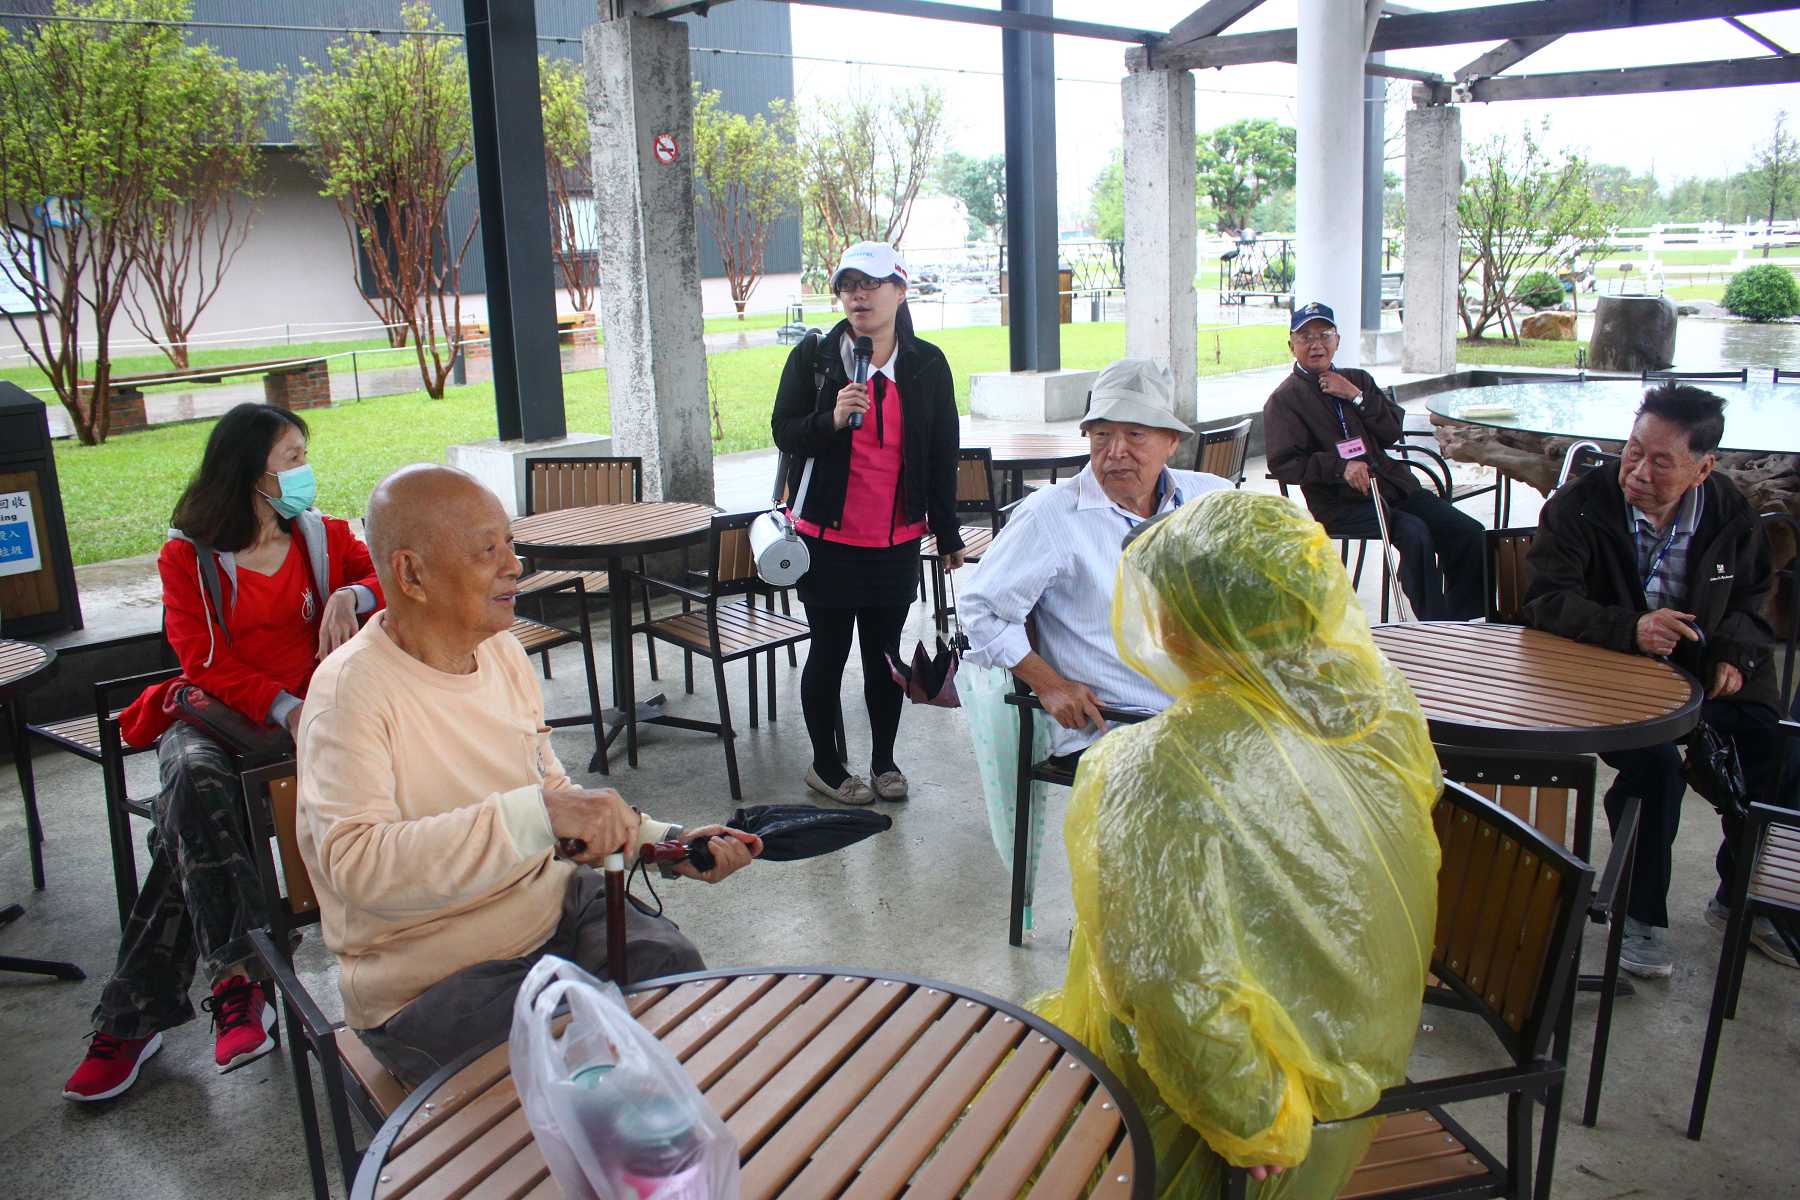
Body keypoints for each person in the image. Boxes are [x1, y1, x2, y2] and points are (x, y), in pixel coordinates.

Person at [295, 465, 757, 1086]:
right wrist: (536, 817)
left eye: (510, 544)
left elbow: (555, 797)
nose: (514, 565)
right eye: (489, 550)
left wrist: (660, 840)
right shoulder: (350, 693)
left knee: (670, 976)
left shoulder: (502, 651)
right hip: (432, 976)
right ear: (411, 574)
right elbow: (356, 865)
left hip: (550, 912)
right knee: (572, 1065)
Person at [1036, 491, 1441, 1197]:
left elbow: (1167, 983)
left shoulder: (1155, 768)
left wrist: (1257, 1122)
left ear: (1182, 624)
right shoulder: (1384, 706)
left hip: (1243, 1133)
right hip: (1360, 1061)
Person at [62, 403, 382, 1103]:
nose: (305, 471)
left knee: (182, 824)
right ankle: (240, 978)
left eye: (303, 455)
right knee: (192, 777)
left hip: (314, 716)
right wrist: (286, 707)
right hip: (228, 715)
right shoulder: (190, 557)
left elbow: (386, 577)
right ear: (251, 473)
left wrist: (352, 594)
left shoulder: (322, 537)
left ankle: (134, 1018)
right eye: (292, 459)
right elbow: (201, 661)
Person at [1525, 383, 1797, 977]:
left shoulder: (1729, 511)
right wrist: (1631, 628)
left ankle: (1745, 894)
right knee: (1655, 772)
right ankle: (1638, 915)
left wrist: (1735, 655)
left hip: (1705, 670)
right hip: (1608, 672)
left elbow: (1755, 596)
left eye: (1661, 461)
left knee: (1776, 748)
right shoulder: (1579, 506)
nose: (1638, 472)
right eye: (1632, 451)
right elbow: (1546, 602)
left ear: (1704, 467)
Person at [960, 358, 1231, 765]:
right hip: (1115, 727)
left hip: (1210, 711)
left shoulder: (1208, 498)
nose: (1116, 451)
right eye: (1102, 435)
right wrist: (1048, 684)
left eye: (1136, 435)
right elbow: (980, 612)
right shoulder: (1050, 515)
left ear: (1171, 441)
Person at [771, 241, 965, 804]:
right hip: (826, 539)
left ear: (900, 292)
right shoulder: (816, 357)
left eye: (872, 283)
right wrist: (831, 418)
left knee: (885, 659)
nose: (858, 294)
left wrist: (947, 531)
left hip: (895, 540)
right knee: (828, 655)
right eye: (849, 284)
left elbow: (940, 454)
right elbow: (785, 431)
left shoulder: (927, 363)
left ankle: (884, 762)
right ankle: (827, 766)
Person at [1264, 301, 1484, 621]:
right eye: (1305, 337)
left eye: (1324, 335)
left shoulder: (1357, 380)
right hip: (1342, 503)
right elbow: (1284, 463)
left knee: (1468, 531)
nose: (1316, 344)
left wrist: (1355, 395)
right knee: (1415, 532)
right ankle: (1435, 625)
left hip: (1394, 488)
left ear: (1337, 341)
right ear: (1291, 346)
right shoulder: (1284, 399)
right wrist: (1340, 468)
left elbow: (1391, 432)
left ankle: (1467, 620)